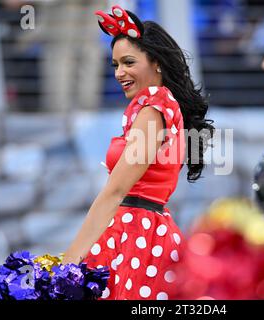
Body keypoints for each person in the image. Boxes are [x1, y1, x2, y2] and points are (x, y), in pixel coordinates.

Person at [61, 5, 214, 300]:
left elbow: (115, 191)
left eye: (129, 62)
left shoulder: (155, 106)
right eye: (115, 65)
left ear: (156, 63)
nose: (120, 73)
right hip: (138, 233)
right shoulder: (157, 105)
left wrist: (68, 262)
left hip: (135, 238)